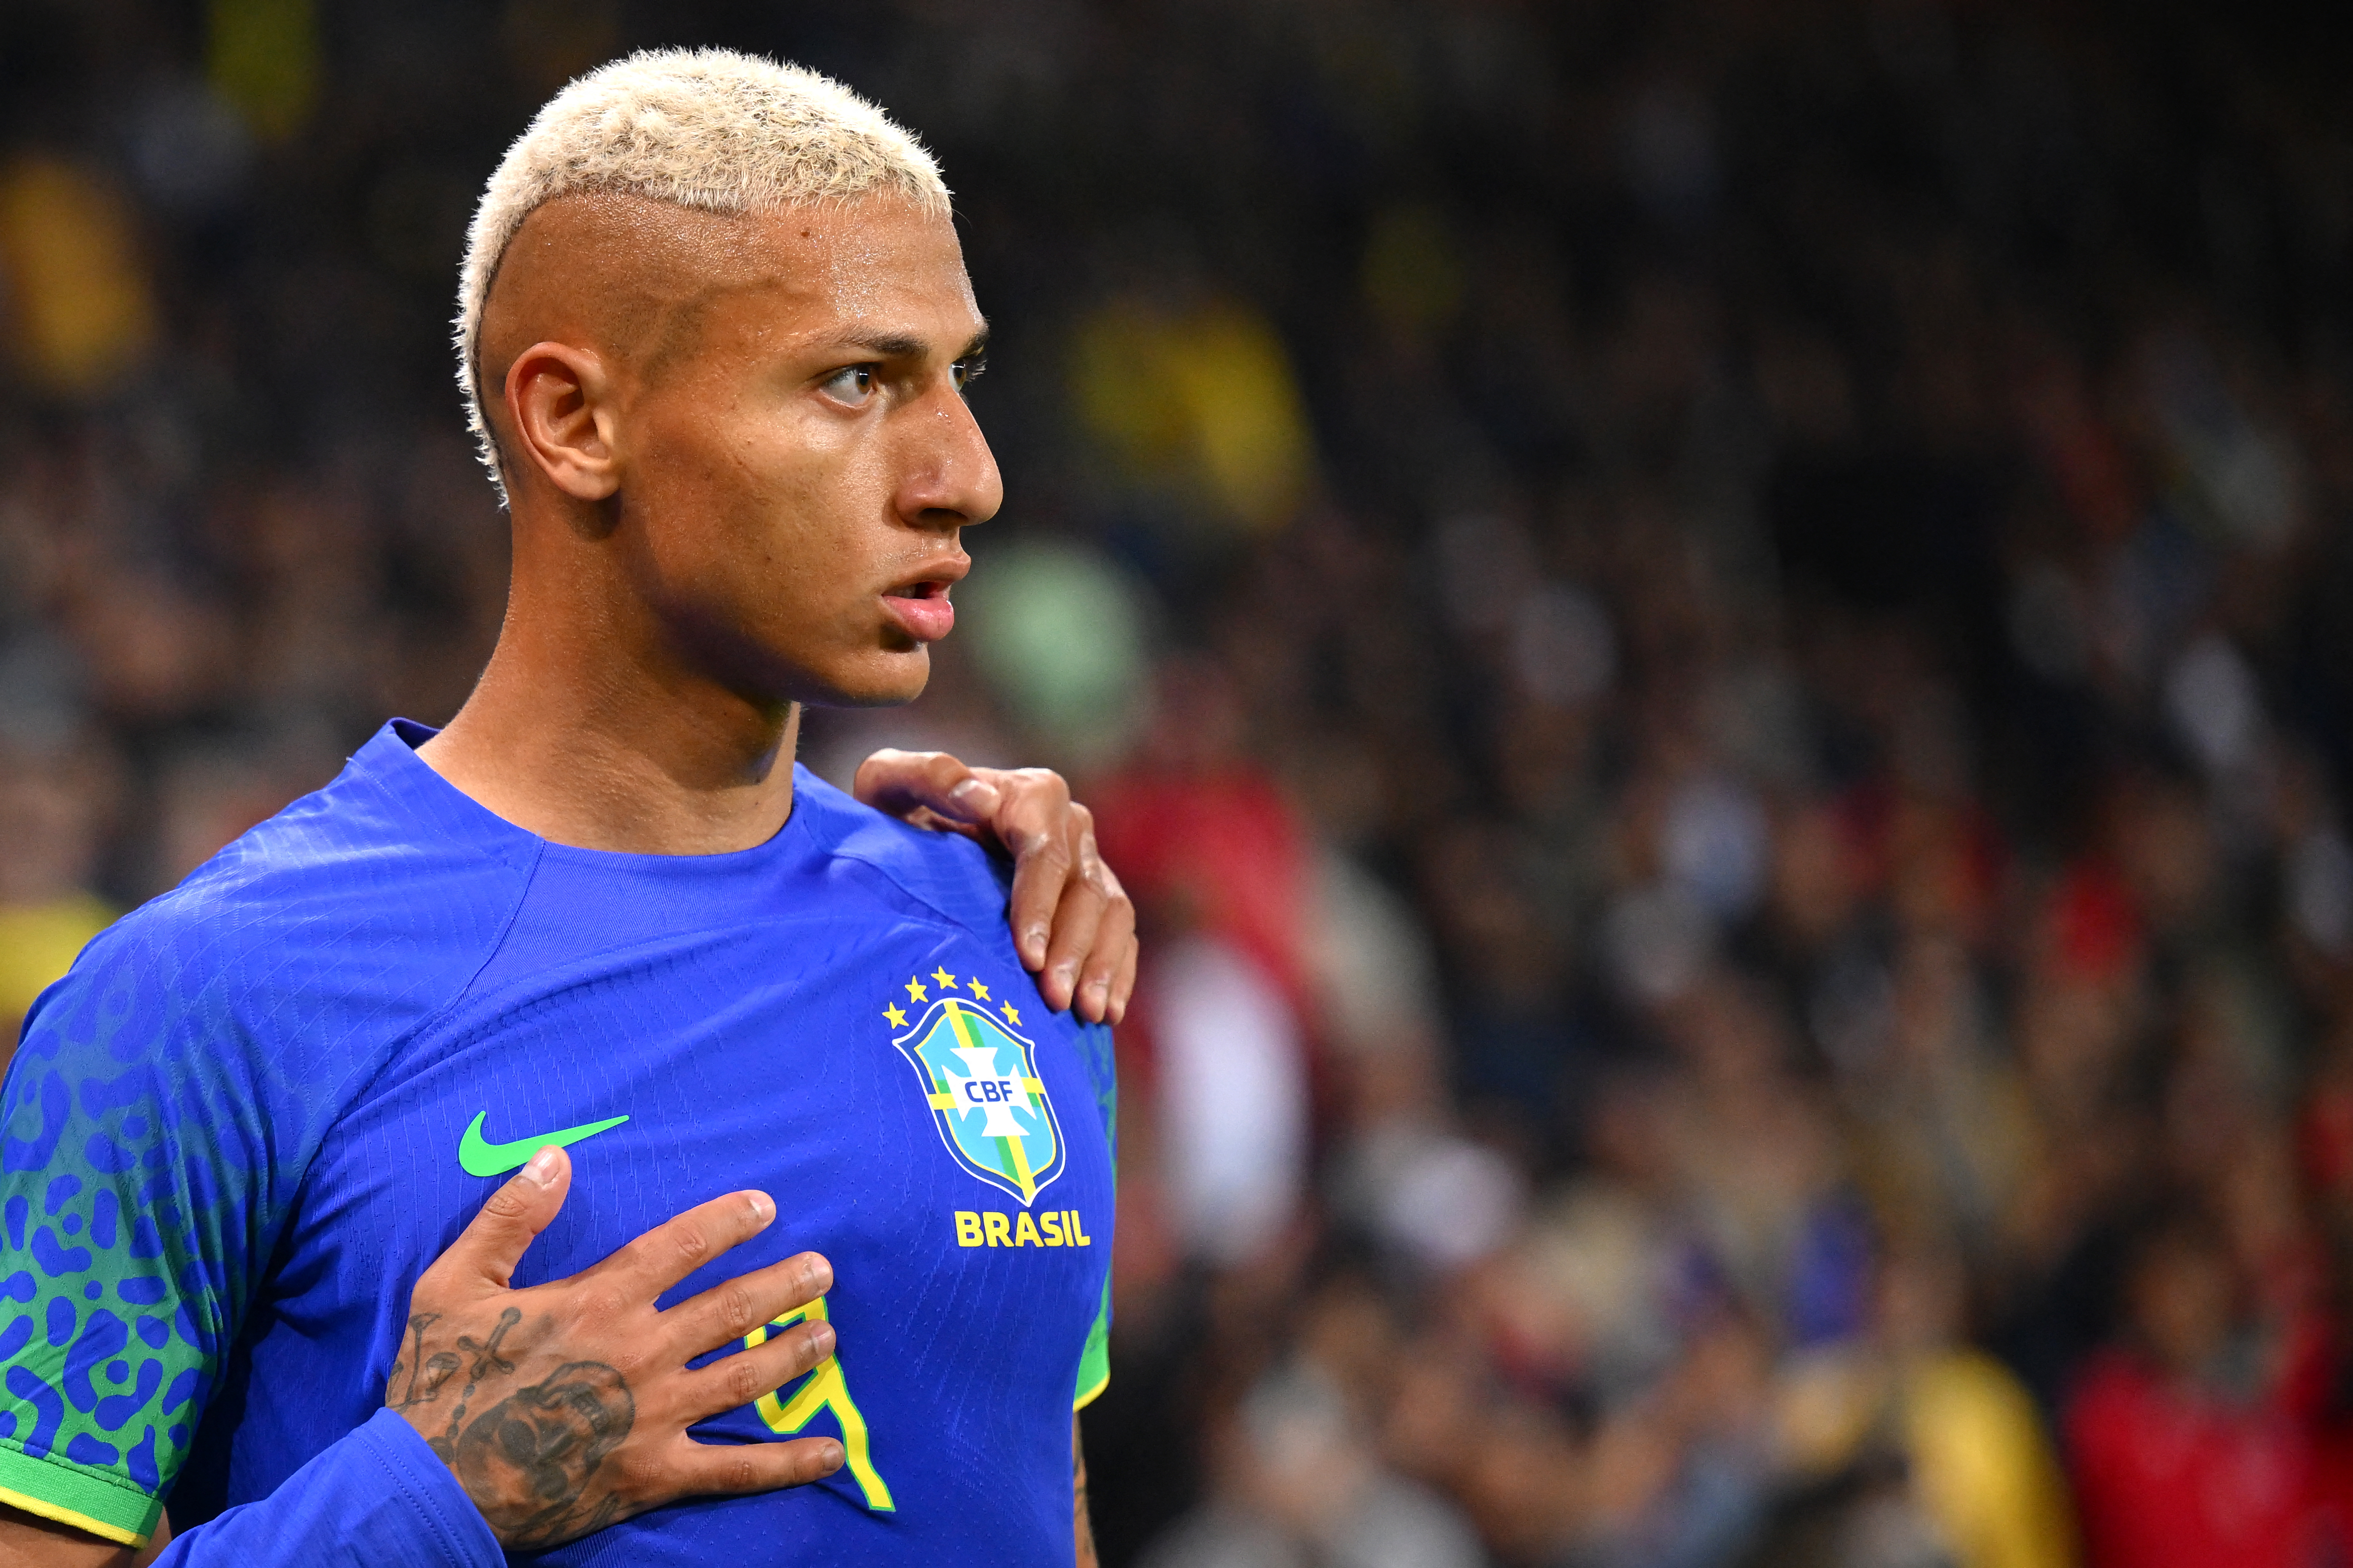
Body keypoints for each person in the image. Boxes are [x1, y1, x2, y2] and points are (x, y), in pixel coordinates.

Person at [0, 50, 1134, 1568]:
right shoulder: (190, 1004)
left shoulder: (1017, 934)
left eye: (957, 379)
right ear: (575, 421)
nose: (967, 477)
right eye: (856, 381)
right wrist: (425, 1504)